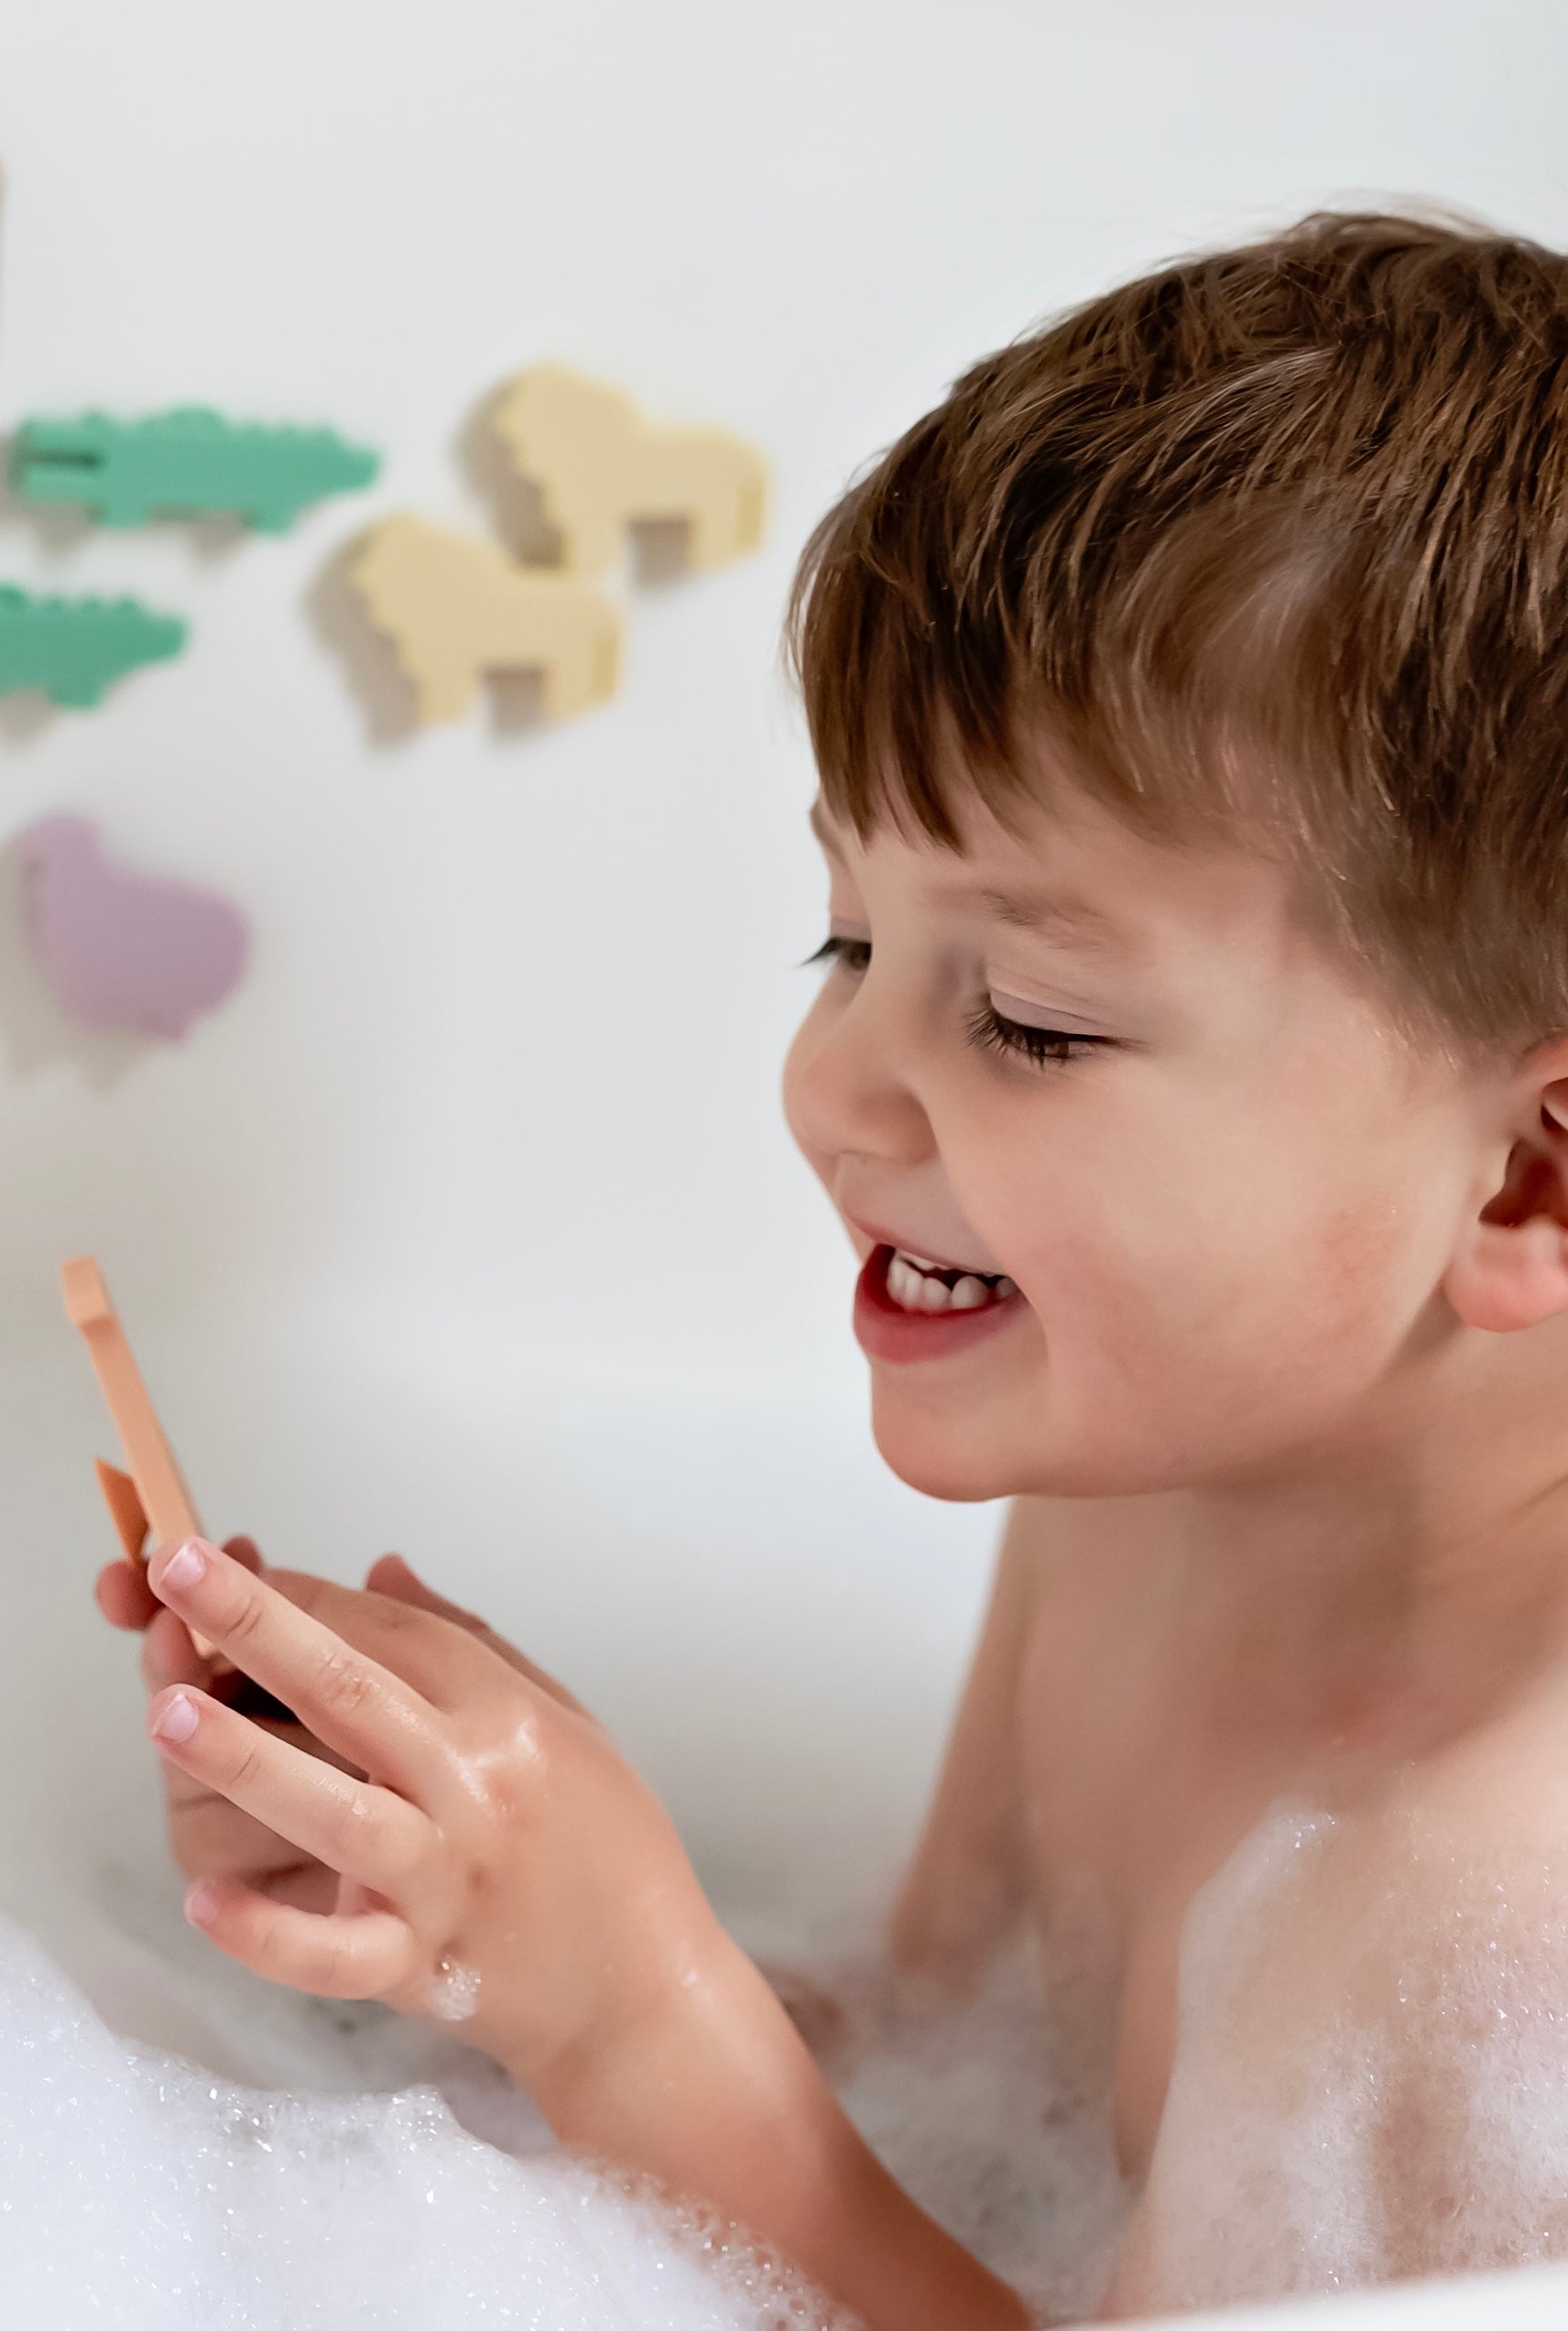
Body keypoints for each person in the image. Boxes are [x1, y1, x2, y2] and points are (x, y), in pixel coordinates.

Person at [98, 213, 1568, 2325]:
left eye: (1032, 1019)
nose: (829, 1083)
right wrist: (487, 1906)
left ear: (1527, 1177)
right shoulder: (1138, 1471)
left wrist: (635, 2022)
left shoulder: (1490, 1919)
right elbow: (938, 2072)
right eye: (848, 941)